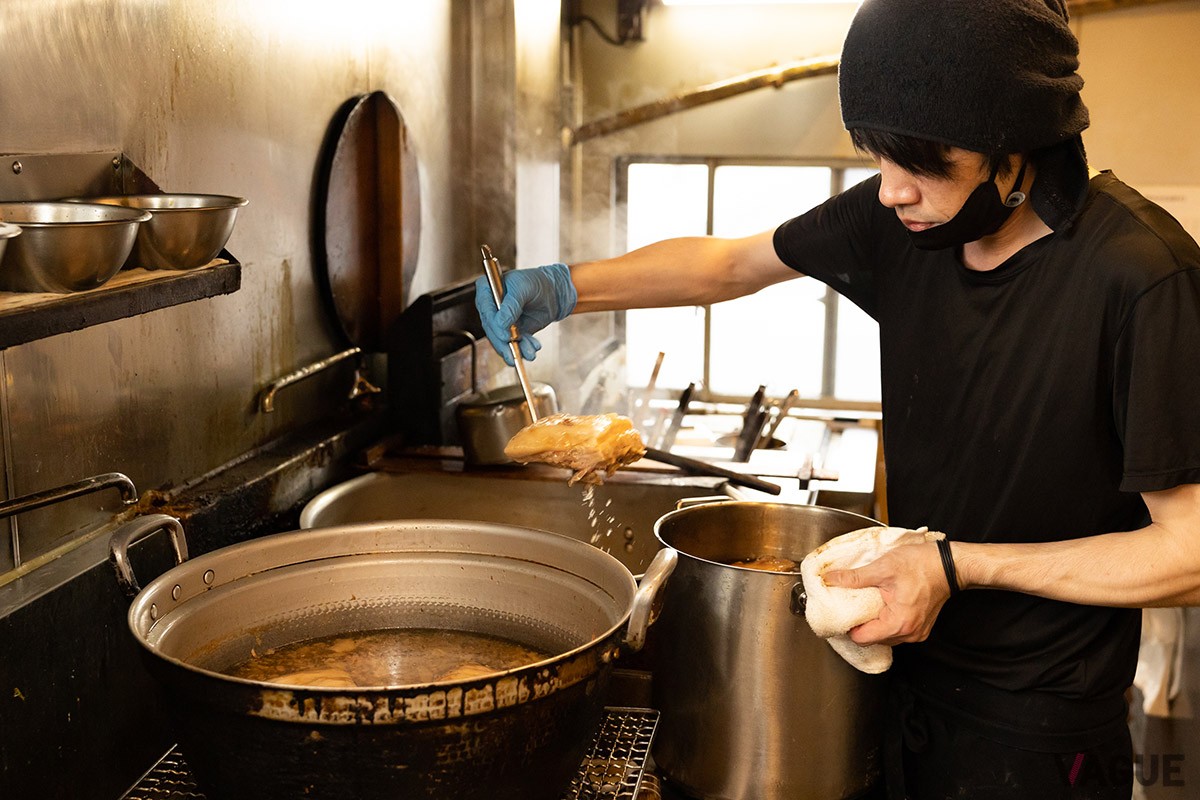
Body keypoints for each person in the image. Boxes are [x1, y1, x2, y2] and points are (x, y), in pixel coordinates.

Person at [474, 0, 1200, 797]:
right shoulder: (905, 223)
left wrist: (957, 567)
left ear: (1016, 148)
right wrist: (569, 287)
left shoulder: (1142, 279)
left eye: (920, 163)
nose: (890, 191)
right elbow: (728, 266)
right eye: (877, 156)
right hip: (894, 675)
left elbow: (1190, 553)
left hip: (1038, 729)